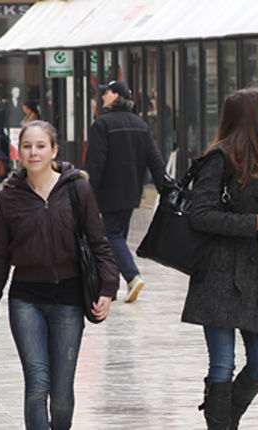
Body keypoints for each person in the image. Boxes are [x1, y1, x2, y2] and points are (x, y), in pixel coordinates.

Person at [0, 120, 119, 430]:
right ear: (19, 151)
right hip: (25, 299)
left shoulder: (77, 189)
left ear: (53, 150)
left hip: (69, 297)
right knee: (37, 382)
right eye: (27, 146)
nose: (33, 152)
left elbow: (99, 242)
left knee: (61, 393)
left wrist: (108, 289)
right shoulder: (9, 197)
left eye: (41, 146)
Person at [182, 88, 258, 430]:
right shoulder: (218, 159)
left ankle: (225, 420)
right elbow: (199, 214)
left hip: (249, 274)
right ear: (249, 119)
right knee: (222, 365)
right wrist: (254, 222)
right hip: (216, 273)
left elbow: (255, 225)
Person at [84, 80, 166, 303]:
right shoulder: (140, 124)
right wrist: (165, 188)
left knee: (112, 236)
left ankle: (131, 276)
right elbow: (155, 160)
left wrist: (87, 192)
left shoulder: (102, 124)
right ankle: (113, 284)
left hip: (108, 193)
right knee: (118, 235)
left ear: (116, 96)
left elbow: (95, 163)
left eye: (106, 93)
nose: (102, 97)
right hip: (131, 193)